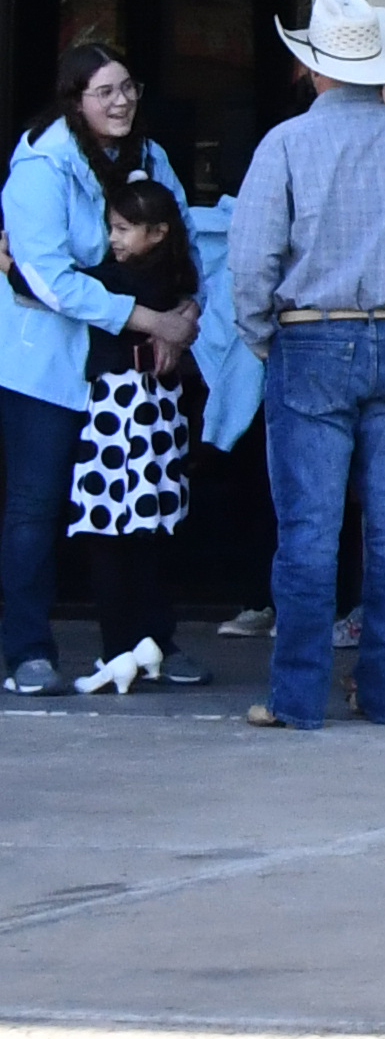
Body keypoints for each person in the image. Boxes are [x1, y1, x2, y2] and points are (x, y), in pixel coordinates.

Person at [217, 0, 385, 735]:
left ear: (312, 67)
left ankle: (296, 699)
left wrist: (266, 335)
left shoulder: (286, 145)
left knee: (308, 530)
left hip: (310, 336)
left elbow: (251, 262)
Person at [5, 43, 197, 700]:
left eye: (127, 87)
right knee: (36, 507)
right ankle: (29, 648)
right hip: (49, 365)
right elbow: (45, 276)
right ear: (74, 100)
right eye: (104, 92)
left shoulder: (148, 154)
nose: (121, 102)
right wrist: (150, 319)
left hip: (130, 372)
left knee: (140, 503)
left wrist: (187, 315)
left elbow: (187, 239)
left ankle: (153, 642)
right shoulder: (42, 162)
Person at [58, 128, 207, 692]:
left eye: (122, 229)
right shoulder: (179, 279)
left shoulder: (115, 280)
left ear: (156, 232)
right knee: (148, 529)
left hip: (117, 413)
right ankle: (151, 639)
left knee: (107, 529)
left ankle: (119, 646)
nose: (112, 239)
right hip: (158, 414)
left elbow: (57, 285)